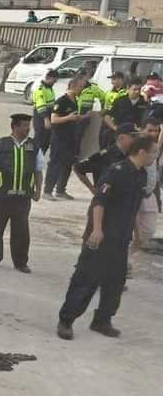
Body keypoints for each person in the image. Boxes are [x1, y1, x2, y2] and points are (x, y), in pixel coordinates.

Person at [56, 133, 157, 339]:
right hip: (102, 236)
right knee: (86, 278)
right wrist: (97, 229)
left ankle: (102, 320)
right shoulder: (116, 171)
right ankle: (66, 320)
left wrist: (137, 235)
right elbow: (99, 201)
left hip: (121, 239)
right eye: (154, 152)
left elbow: (134, 208)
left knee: (115, 282)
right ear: (142, 152)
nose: (156, 156)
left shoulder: (141, 175)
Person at [0, 113, 43, 272]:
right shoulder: (1, 145)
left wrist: (38, 190)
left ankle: (21, 262)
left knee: (21, 231)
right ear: (15, 126)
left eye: (28, 126)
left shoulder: (34, 146)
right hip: (1, 196)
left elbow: (38, 171)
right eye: (24, 126)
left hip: (23, 198)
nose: (27, 129)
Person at [44, 75, 87, 199]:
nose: (82, 90)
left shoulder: (75, 100)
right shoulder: (62, 101)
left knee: (67, 164)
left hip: (70, 138)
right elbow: (54, 119)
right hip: (59, 138)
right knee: (55, 163)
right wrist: (69, 118)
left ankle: (61, 189)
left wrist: (80, 118)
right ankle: (48, 190)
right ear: (73, 86)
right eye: (80, 88)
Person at [74, 123, 137, 195]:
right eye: (133, 136)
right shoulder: (104, 156)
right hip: (106, 199)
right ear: (121, 137)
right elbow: (78, 168)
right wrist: (93, 190)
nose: (136, 139)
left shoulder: (133, 154)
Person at [132, 113, 162, 257]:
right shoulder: (136, 147)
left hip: (149, 195)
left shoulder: (154, 146)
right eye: (150, 130)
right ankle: (123, 262)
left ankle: (130, 256)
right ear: (141, 129)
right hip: (135, 193)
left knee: (148, 231)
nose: (153, 133)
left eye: (156, 130)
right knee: (130, 232)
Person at [32, 69, 59, 153]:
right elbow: (41, 106)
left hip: (48, 117)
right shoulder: (40, 89)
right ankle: (32, 158)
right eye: (54, 80)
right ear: (49, 77)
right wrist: (46, 120)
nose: (55, 82)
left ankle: (38, 159)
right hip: (41, 118)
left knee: (46, 142)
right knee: (40, 141)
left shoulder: (49, 89)